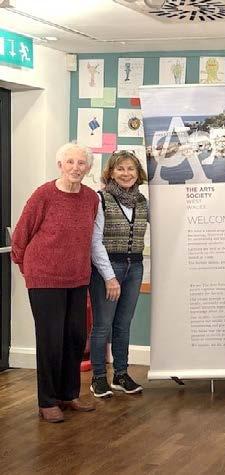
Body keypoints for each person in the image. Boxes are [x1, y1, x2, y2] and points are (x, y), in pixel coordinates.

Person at [11, 143, 99, 423]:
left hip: (77, 277)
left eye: (81, 163)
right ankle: (47, 401)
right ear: (60, 165)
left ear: (88, 167)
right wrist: (27, 267)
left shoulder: (91, 198)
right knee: (50, 339)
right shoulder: (44, 194)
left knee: (75, 337)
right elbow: (21, 234)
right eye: (70, 162)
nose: (76, 167)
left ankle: (68, 394)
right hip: (45, 277)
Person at [89, 150, 149, 398]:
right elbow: (95, 242)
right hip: (107, 268)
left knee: (123, 324)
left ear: (138, 173)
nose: (126, 174)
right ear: (111, 173)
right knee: (103, 326)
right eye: (120, 169)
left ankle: (121, 375)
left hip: (135, 267)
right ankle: (98, 377)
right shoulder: (101, 199)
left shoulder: (142, 201)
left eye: (130, 169)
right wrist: (109, 277)